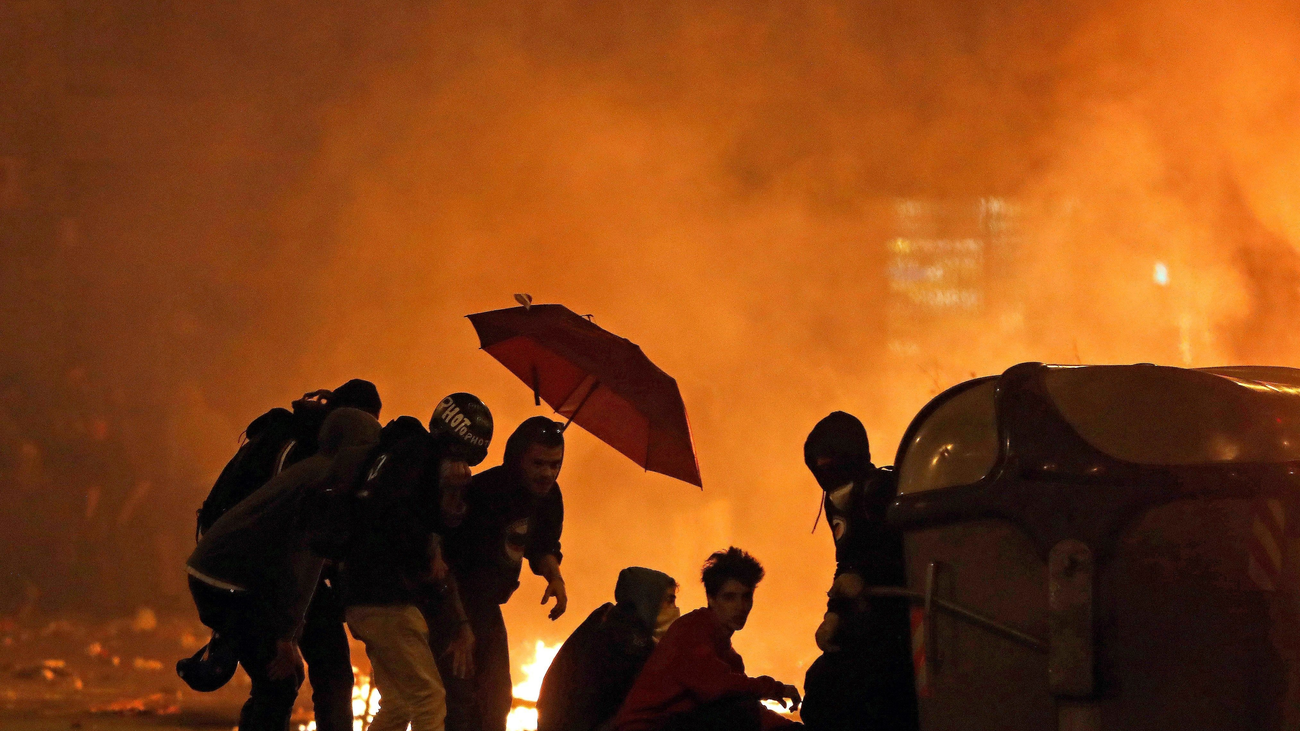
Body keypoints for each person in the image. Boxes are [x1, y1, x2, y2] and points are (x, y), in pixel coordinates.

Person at [195, 378, 382, 731]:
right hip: (264, 576)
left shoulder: (323, 456)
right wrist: (286, 634)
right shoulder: (313, 462)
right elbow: (296, 549)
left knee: (319, 677)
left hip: (277, 575)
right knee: (289, 678)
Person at [340, 393, 493, 731]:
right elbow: (399, 521)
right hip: (386, 596)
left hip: (363, 591)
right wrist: (429, 549)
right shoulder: (420, 461)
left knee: (397, 704)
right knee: (429, 699)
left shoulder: (399, 451)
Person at [441, 416, 568, 731]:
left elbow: (542, 546)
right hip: (449, 603)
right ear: (517, 458)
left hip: (486, 607)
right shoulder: (485, 493)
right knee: (458, 705)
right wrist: (459, 627)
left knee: (497, 702)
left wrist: (555, 577)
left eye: (555, 464)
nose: (547, 473)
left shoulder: (549, 497)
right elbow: (449, 564)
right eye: (538, 463)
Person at [800, 412, 918, 731]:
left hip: (899, 623)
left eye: (828, 464)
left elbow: (906, 554)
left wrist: (865, 577)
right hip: (867, 622)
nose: (824, 475)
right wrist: (833, 615)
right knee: (821, 686)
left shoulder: (882, 490)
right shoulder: (837, 503)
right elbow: (847, 562)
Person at [613, 548, 802, 731]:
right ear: (711, 599)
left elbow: (749, 707)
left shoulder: (729, 656)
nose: (740, 606)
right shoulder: (691, 631)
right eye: (729, 597)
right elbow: (718, 687)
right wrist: (774, 688)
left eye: (746, 597)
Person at [537, 567, 680, 731]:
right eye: (670, 600)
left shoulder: (607, 625)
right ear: (648, 600)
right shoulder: (626, 645)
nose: (675, 609)